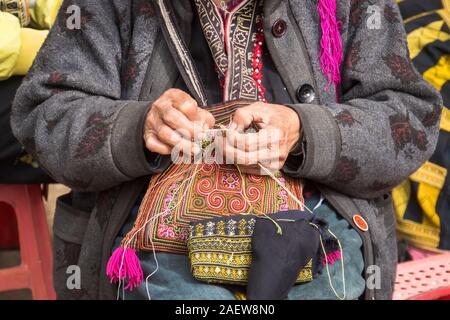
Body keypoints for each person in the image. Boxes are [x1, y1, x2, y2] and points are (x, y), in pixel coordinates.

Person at [11, 0, 442, 300]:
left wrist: (303, 131)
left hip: (318, 235)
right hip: (154, 242)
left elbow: (408, 117)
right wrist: (138, 126)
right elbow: (45, 113)